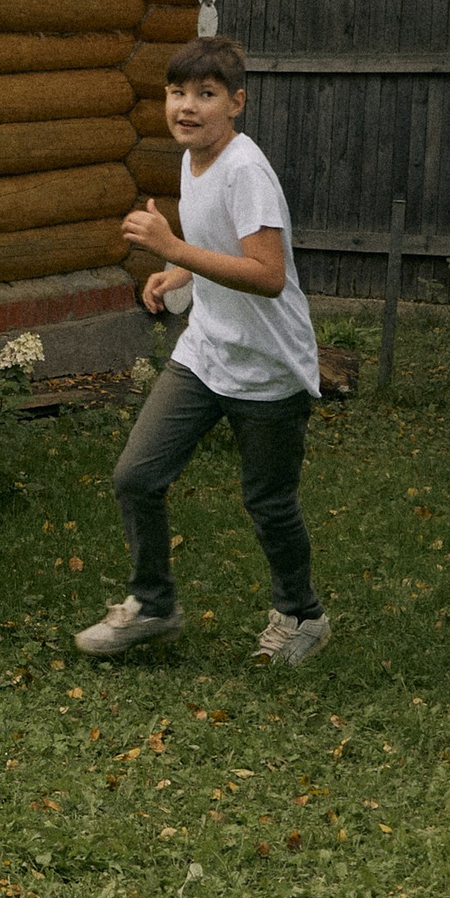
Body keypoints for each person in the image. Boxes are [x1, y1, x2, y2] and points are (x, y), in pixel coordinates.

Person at [77, 35, 332, 669]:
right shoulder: (193, 161)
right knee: (137, 476)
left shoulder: (246, 169)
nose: (187, 107)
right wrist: (180, 276)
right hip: (206, 353)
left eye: (206, 95)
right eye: (176, 93)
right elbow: (219, 246)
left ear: (236, 103)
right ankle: (154, 605)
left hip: (269, 367)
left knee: (269, 503)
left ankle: (302, 616)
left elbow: (268, 274)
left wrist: (172, 251)